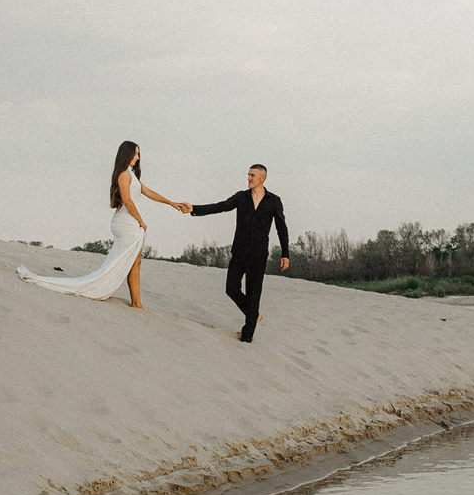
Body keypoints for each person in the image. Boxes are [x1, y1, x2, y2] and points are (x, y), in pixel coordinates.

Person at [15, 140, 184, 309]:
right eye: (134, 154)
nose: (137, 158)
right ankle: (136, 303)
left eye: (139, 154)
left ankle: (137, 303)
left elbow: (148, 192)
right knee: (133, 262)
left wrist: (171, 203)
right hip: (127, 223)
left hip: (129, 222)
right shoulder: (123, 174)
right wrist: (141, 220)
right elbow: (127, 200)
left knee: (135, 262)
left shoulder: (130, 174)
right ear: (126, 154)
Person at [187, 163, 289, 343]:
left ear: (262, 178)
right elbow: (221, 206)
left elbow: (281, 227)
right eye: (248, 175)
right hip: (239, 252)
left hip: (258, 255)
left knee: (253, 293)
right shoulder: (241, 197)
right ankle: (253, 314)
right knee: (231, 288)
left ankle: (246, 338)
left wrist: (285, 253)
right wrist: (194, 209)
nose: (249, 178)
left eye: (252, 176)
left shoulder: (274, 201)